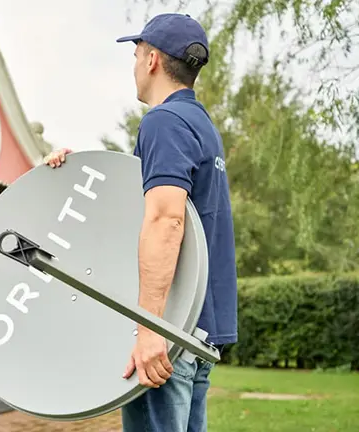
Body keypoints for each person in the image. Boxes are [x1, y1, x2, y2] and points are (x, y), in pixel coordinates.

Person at [44, 13, 238, 432]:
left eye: (135, 55)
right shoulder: (200, 125)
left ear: (152, 60)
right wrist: (72, 177)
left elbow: (166, 220)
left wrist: (150, 329)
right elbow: (140, 210)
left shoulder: (163, 122)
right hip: (197, 330)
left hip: (167, 333)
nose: (133, 65)